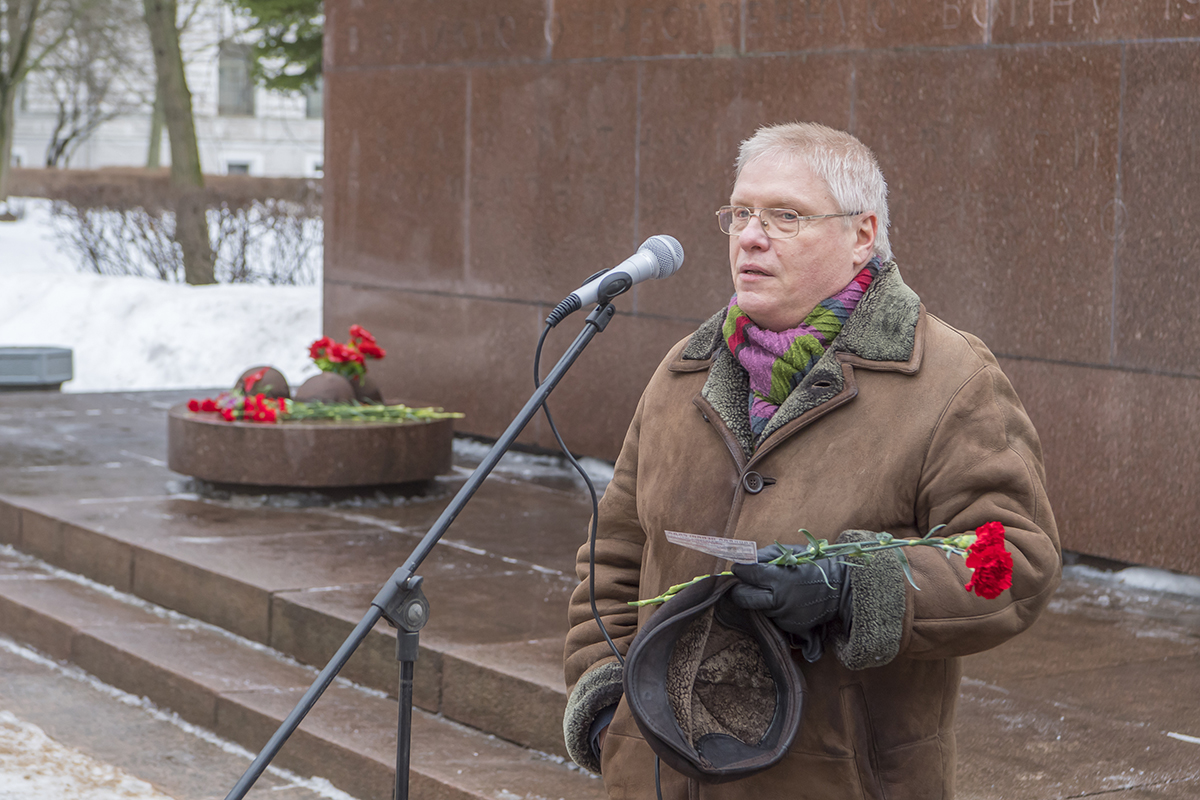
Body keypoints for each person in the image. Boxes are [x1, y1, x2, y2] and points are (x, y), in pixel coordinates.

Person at [562, 122, 1061, 800]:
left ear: (862, 233)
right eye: (739, 214)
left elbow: (1012, 557)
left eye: (785, 217)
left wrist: (852, 587)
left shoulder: (949, 378)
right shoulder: (683, 373)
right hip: (658, 773)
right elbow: (612, 559)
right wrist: (608, 711)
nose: (750, 237)